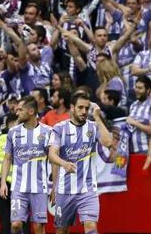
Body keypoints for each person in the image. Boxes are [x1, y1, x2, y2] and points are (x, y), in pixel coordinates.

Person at [48, 93, 113, 234]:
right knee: (62, 230)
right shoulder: (59, 128)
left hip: (88, 189)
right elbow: (52, 154)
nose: (84, 111)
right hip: (65, 190)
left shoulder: (93, 127)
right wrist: (64, 164)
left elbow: (108, 142)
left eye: (87, 108)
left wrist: (97, 117)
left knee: (91, 226)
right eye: (80, 107)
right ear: (72, 108)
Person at [0, 96, 50, 234]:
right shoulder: (13, 132)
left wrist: (55, 186)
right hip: (18, 187)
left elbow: (53, 160)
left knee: (38, 227)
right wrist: (3, 182)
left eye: (20, 110)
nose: (17, 113)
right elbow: (7, 158)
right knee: (15, 224)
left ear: (31, 111)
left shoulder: (47, 132)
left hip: (39, 187)